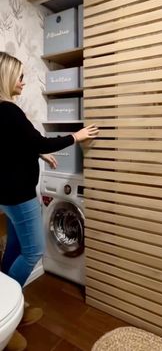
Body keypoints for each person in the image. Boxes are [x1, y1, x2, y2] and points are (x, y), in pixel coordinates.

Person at [0, 51, 99, 351]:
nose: (23, 81)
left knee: (15, 247)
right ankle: (11, 306)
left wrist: (38, 152)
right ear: (5, 78)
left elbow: (15, 146)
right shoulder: (10, 112)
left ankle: (10, 299)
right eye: (19, 76)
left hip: (4, 196)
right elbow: (38, 141)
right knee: (34, 251)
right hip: (19, 196)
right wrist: (76, 136)